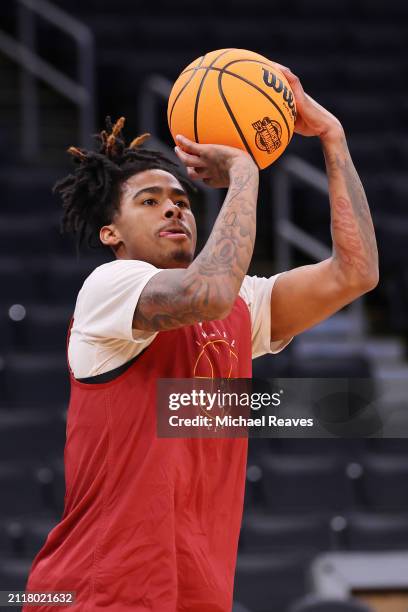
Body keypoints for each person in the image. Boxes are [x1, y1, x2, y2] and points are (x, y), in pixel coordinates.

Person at [23, 66, 378, 611]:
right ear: (110, 233)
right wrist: (244, 169)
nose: (174, 206)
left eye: (183, 200)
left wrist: (333, 138)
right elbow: (205, 292)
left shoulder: (240, 305)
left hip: (194, 592)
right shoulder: (110, 287)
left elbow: (355, 274)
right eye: (149, 201)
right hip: (99, 591)